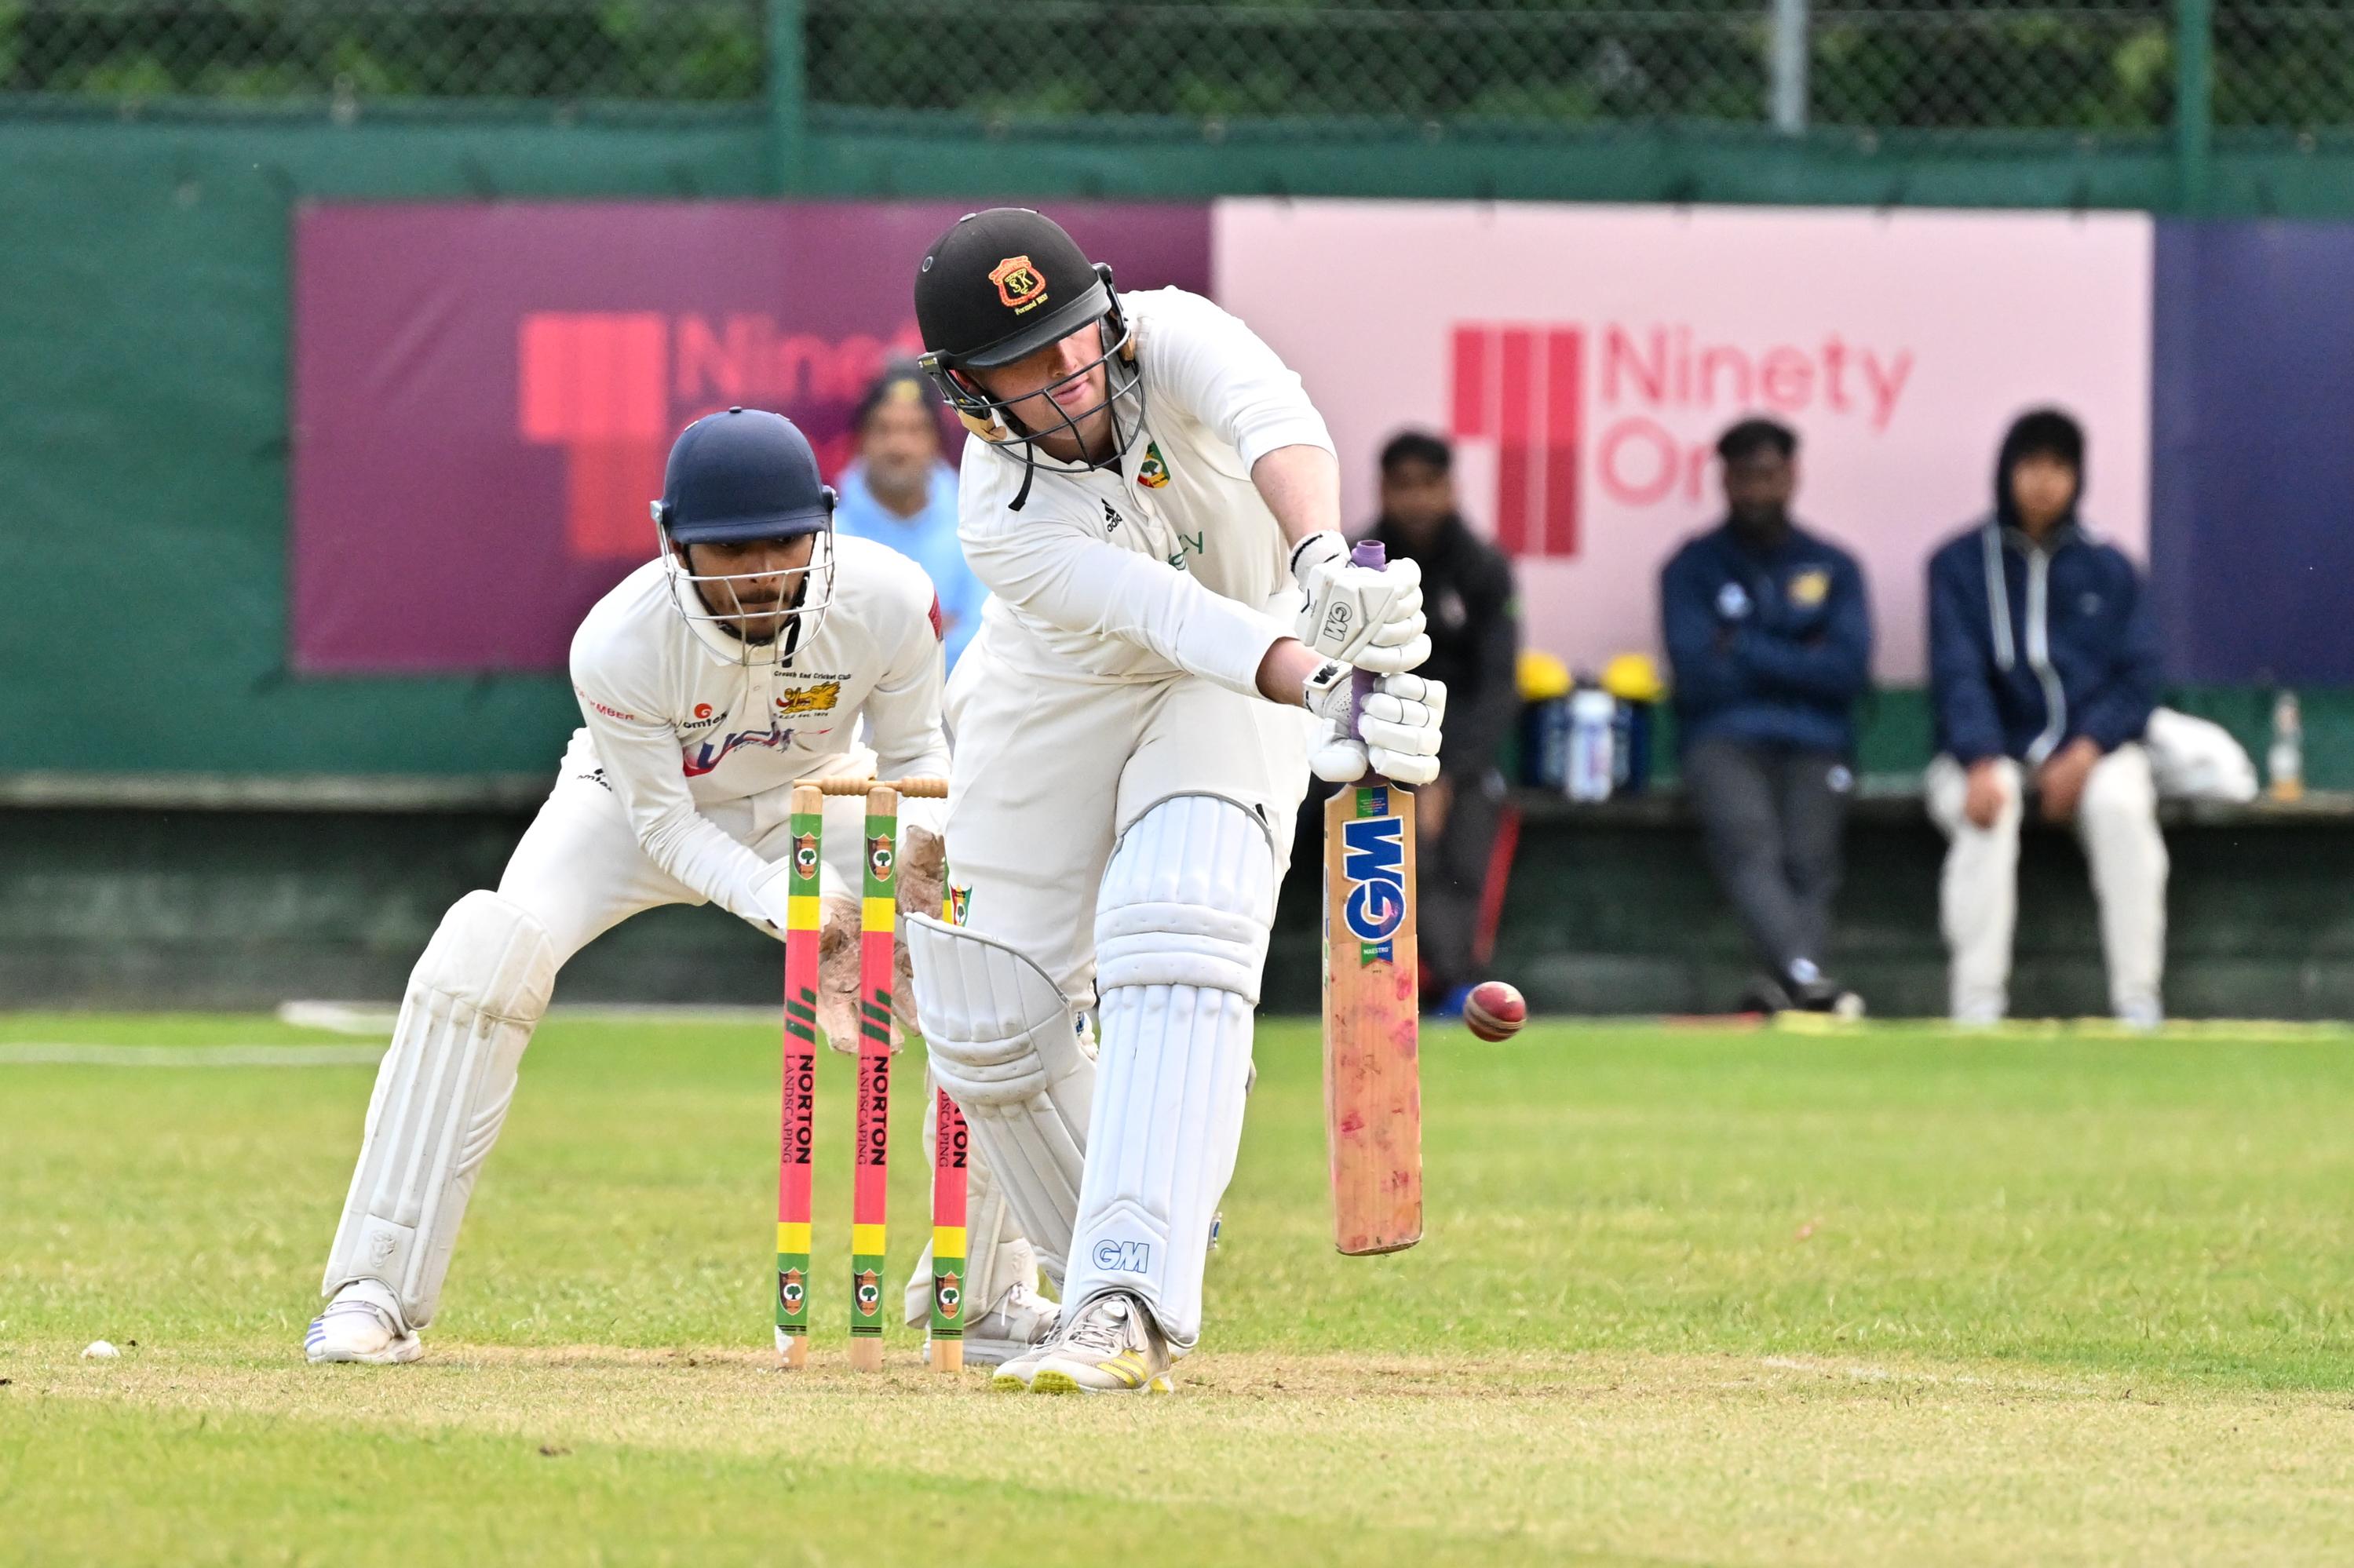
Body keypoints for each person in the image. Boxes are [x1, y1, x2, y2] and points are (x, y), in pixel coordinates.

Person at [305, 408, 1055, 1366]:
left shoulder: (890, 598)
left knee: (992, 942)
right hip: (625, 813)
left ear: (824, 525)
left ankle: (989, 1293)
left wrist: (919, 868)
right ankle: (374, 1287)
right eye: (728, 551)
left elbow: (914, 759)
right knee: (480, 959)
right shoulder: (615, 642)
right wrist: (804, 916)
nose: (760, 574)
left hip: (810, 796)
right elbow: (665, 827)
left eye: (784, 543)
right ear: (673, 543)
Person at [902, 208, 1443, 1395]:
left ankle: (1118, 1295)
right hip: (1066, 684)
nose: (1067, 375)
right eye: (1024, 367)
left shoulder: (1173, 332)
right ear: (968, 394)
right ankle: (1116, 1200)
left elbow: (1275, 425)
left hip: (1243, 662)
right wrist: (1327, 687)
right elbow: (1170, 622)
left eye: (1071, 339)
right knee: (986, 1023)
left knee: (1179, 918)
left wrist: (1318, 569)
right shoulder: (998, 521)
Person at [1925, 408, 2166, 1026]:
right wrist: (1979, 758)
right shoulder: (1957, 564)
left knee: (2120, 809)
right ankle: (1977, 1006)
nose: (2043, 481)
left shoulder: (2110, 568)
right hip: (1984, 752)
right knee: (1990, 807)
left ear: (2077, 478)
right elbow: (1957, 676)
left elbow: (2138, 679)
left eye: (2058, 467)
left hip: (2094, 751)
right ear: (2005, 471)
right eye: (2029, 464)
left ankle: (2136, 1001)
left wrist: (2085, 752)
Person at [1662, 418, 1872, 1016]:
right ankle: (1809, 983)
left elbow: (1846, 672)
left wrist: (1745, 646)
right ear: (1723, 481)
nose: (1757, 490)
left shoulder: (1834, 566)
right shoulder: (1691, 568)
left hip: (1818, 740)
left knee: (1810, 859)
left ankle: (1783, 990)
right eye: (1744, 476)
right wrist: (1797, 654)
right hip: (1722, 739)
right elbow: (1697, 673)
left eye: (1769, 474)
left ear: (1792, 475)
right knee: (1748, 843)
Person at [1366, 431, 1520, 1007]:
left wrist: (1447, 773)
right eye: (1403, 487)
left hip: (1459, 752)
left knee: (1467, 850)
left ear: (1450, 489)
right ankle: (1442, 986)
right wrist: (1403, 766)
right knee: (1407, 851)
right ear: (1382, 489)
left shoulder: (1483, 567)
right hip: (1377, 745)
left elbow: (1497, 684)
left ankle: (1459, 980)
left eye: (1429, 486)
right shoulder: (1359, 566)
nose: (1417, 501)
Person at [833, 363, 988, 673]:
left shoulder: (979, 524)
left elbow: (988, 643)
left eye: (914, 430)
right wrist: (936, 630)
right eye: (884, 429)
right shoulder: (829, 538)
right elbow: (833, 656)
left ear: (936, 440)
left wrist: (882, 642)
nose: (898, 447)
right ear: (861, 439)